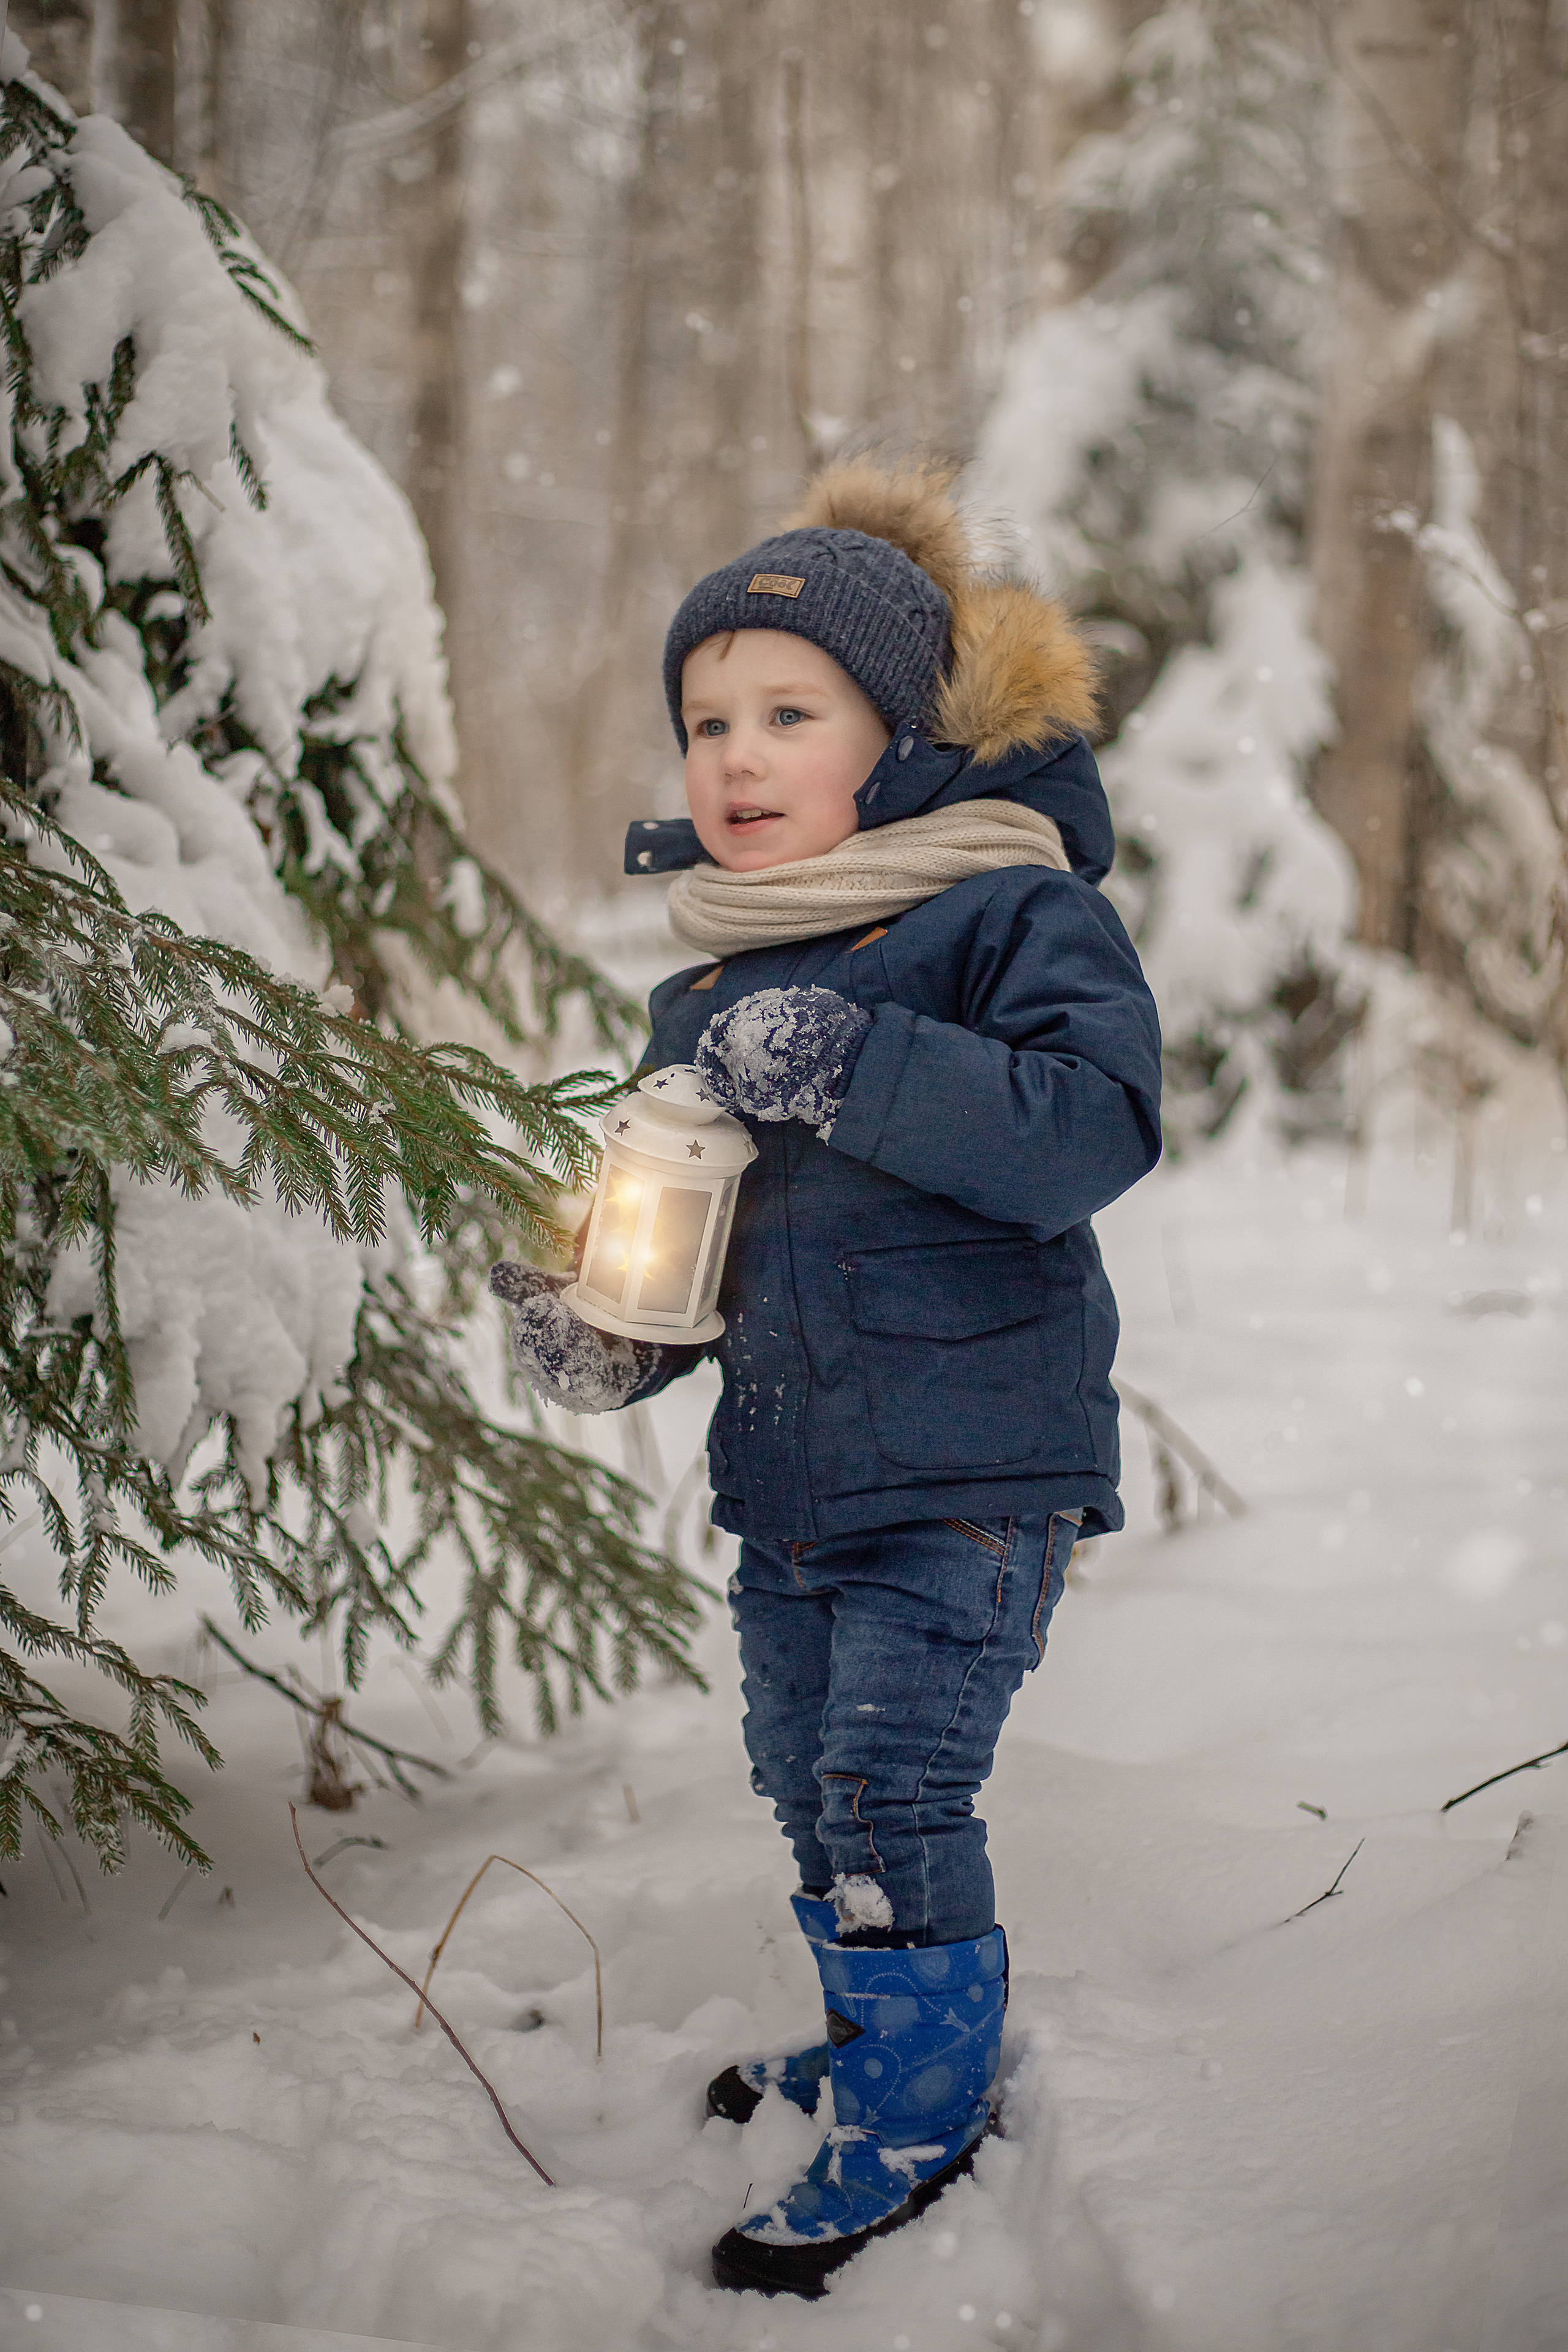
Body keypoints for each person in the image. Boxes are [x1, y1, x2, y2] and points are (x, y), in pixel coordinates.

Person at [490, 460, 1162, 2298]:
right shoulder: (710, 990)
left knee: (887, 1785)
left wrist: (860, 1064)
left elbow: (1093, 1130)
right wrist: (602, 1323)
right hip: (791, 1482)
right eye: (708, 720)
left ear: (906, 740)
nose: (735, 755)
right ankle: (888, 2038)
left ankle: (924, 2113)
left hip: (972, 1470)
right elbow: (688, 1252)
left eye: (790, 714)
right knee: (805, 1773)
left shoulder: (1009, 911)